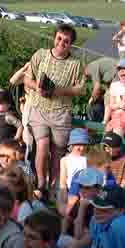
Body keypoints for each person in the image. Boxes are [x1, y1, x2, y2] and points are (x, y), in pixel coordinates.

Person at [24, 24, 85, 198]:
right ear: (54, 38)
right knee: (42, 146)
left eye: (66, 41)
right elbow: (27, 78)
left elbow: (80, 89)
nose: (61, 43)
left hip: (61, 111)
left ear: (71, 44)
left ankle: (54, 187)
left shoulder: (76, 64)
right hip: (39, 108)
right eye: (59, 38)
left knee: (58, 151)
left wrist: (58, 90)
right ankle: (41, 183)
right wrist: (38, 87)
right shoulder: (40, 55)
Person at [85, 57, 117, 124]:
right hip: (116, 73)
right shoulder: (97, 65)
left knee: (108, 96)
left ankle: (105, 121)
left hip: (117, 73)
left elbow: (97, 87)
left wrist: (91, 99)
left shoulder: (91, 68)